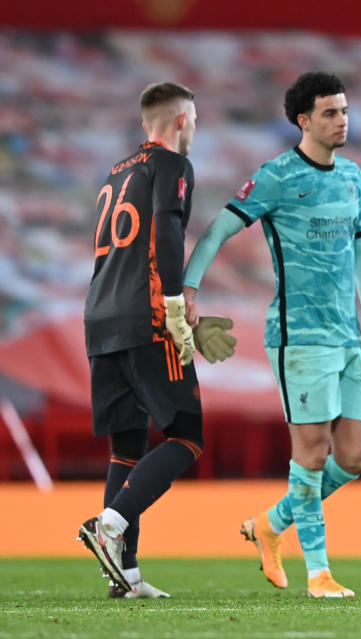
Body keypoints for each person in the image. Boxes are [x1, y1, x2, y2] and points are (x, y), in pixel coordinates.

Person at [183, 72, 361, 599]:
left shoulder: (352, 178)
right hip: (298, 337)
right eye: (330, 112)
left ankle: (269, 525)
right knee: (310, 451)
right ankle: (320, 574)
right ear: (304, 120)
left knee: (354, 458)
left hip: (349, 338)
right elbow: (219, 228)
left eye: (345, 110)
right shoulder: (276, 176)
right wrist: (189, 289)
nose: (342, 120)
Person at [78, 82, 236, 599]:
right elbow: (167, 234)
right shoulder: (171, 166)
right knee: (187, 435)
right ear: (182, 120)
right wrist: (174, 307)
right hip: (147, 316)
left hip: (101, 318)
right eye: (196, 122)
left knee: (126, 446)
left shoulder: (115, 173)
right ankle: (112, 522)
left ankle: (126, 574)